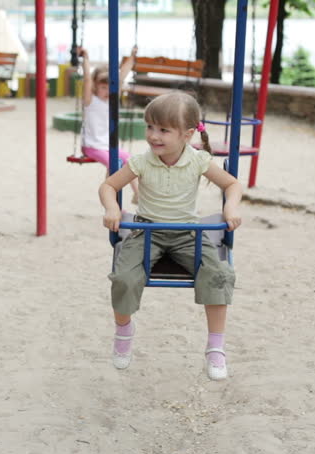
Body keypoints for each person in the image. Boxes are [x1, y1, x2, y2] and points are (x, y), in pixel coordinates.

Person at [98, 91, 243, 381]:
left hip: (187, 232)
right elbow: (108, 186)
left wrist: (231, 208)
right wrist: (113, 208)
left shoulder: (199, 161)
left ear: (187, 134)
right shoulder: (141, 162)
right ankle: (124, 330)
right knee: (124, 278)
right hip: (146, 229)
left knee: (218, 274)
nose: (154, 136)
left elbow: (232, 184)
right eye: (150, 127)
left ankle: (215, 345)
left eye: (163, 130)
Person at [79, 47, 139, 197]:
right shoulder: (90, 101)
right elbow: (87, 79)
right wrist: (85, 59)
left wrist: (132, 57)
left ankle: (138, 194)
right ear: (95, 86)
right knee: (115, 164)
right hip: (92, 146)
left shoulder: (112, 100)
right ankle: (111, 200)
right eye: (103, 87)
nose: (107, 91)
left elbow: (122, 76)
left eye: (109, 87)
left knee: (132, 162)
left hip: (108, 145)